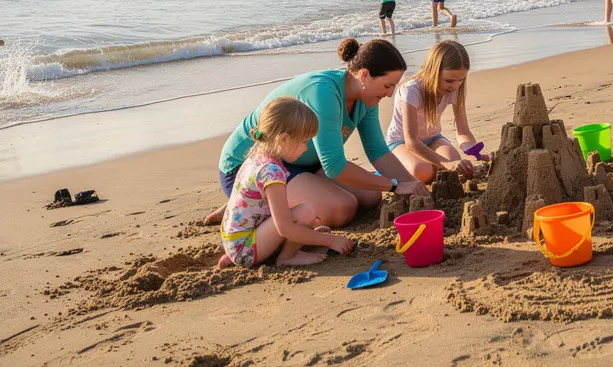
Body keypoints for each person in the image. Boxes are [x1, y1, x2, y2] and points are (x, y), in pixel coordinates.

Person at [205, 38, 427, 228]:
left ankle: (274, 198)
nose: (390, 94)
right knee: (342, 208)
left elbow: (378, 151)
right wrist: (396, 186)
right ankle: (245, 201)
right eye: (388, 86)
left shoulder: (367, 98)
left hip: (302, 161)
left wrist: (414, 187)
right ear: (364, 75)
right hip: (253, 166)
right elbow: (334, 166)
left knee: (370, 196)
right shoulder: (324, 92)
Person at [217, 97, 356, 268]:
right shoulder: (271, 172)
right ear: (283, 139)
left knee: (302, 215)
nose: (306, 148)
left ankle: (235, 257)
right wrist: (330, 240)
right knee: (305, 212)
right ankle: (287, 257)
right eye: (304, 141)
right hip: (246, 249)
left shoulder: (257, 157)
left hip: (236, 240)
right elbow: (285, 228)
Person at [386, 41, 482, 182]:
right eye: (449, 81)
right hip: (401, 142)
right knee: (421, 170)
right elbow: (411, 141)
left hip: (433, 138)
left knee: (455, 161)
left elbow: (463, 132)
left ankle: (428, 164)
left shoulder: (455, 88)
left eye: (461, 80)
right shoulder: (411, 90)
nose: (455, 86)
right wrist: (446, 163)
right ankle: (394, 165)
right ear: (433, 71)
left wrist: (476, 152)